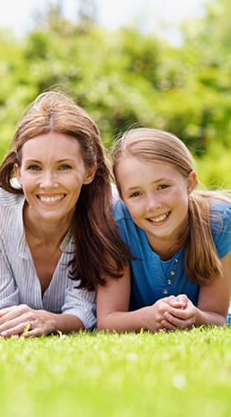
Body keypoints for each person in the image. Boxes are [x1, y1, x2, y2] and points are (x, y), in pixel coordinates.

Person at [0, 91, 129, 338]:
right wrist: (15, 323)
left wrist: (52, 321)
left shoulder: (111, 208)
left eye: (64, 167)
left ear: (89, 171)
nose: (48, 183)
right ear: (19, 172)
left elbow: (86, 308)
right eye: (34, 167)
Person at [94, 128, 231, 331]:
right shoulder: (116, 224)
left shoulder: (218, 220)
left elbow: (217, 317)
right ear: (122, 199)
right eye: (136, 194)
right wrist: (147, 317)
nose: (152, 205)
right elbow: (107, 321)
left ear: (189, 183)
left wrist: (195, 316)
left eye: (163, 187)